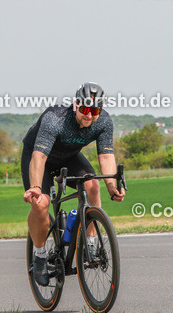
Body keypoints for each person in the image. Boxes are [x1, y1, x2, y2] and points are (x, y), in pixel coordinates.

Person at [22, 82, 125, 286]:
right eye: (85, 109)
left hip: (68, 157)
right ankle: (40, 255)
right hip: (38, 157)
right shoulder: (55, 119)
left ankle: (91, 245)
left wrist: (112, 186)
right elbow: (39, 156)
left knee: (93, 185)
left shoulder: (103, 122)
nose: (89, 115)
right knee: (41, 203)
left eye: (94, 110)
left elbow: (106, 157)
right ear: (76, 105)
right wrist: (35, 187)